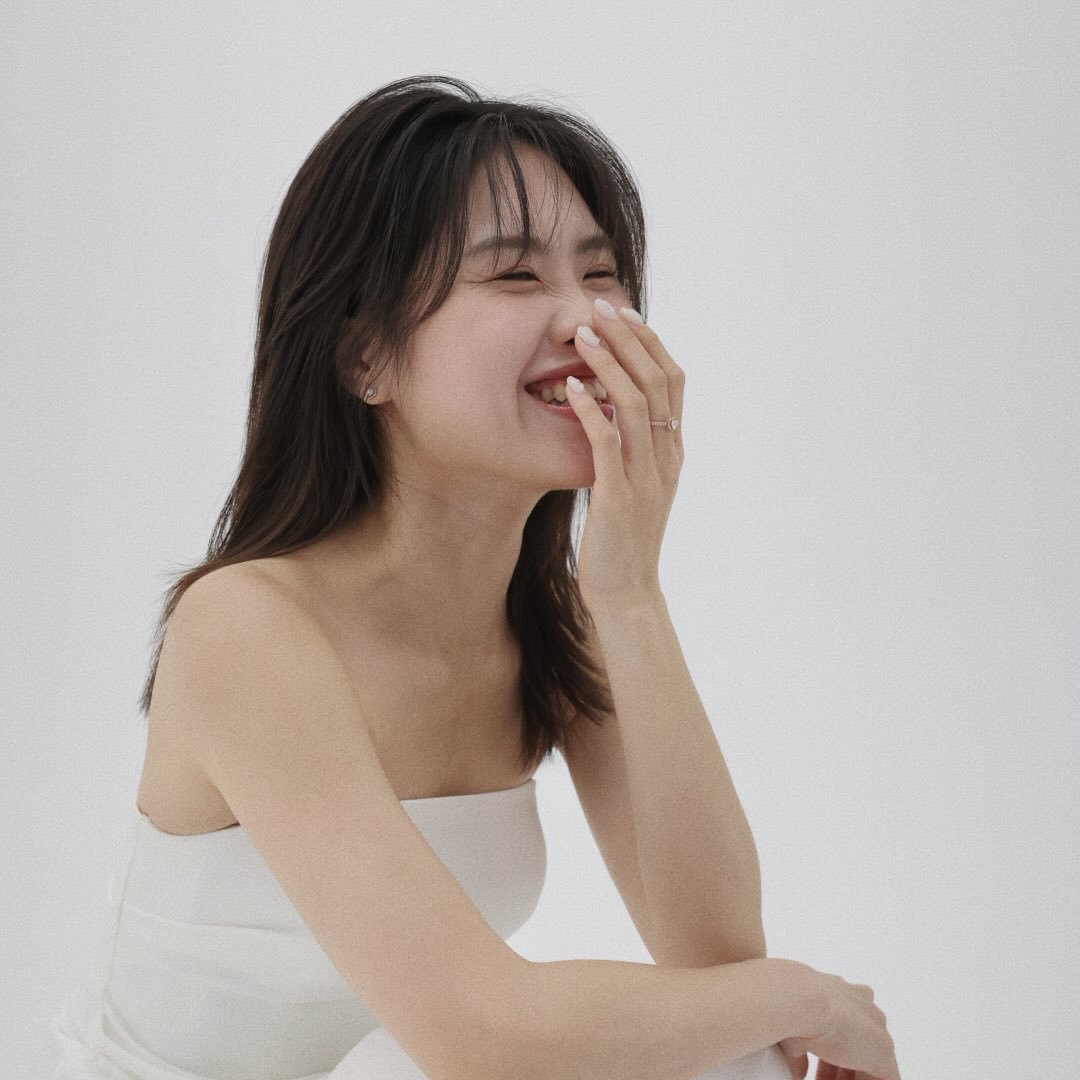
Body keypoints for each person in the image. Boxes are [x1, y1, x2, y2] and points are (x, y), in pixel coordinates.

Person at [46, 75, 900, 1080]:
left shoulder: (551, 626)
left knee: (725, 1055)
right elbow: (480, 1035)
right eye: (515, 275)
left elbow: (714, 968)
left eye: (602, 272)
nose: (589, 321)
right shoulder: (245, 626)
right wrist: (816, 999)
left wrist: (629, 592)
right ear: (366, 357)